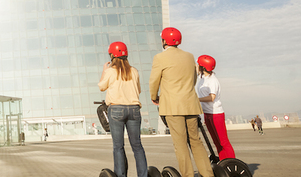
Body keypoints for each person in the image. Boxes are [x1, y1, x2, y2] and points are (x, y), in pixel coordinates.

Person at [149, 27, 213, 177]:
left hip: (172, 106)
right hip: (190, 104)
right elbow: (193, 78)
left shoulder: (160, 58)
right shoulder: (189, 56)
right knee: (196, 141)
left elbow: (154, 81)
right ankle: (208, 174)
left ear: (164, 41)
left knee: (181, 144)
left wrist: (154, 97)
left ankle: (188, 175)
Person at [98, 41, 148, 177]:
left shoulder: (110, 71)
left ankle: (121, 175)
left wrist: (104, 71)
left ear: (112, 56)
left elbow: (101, 87)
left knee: (118, 147)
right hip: (134, 110)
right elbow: (138, 90)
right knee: (137, 146)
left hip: (116, 110)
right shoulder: (134, 71)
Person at [195, 55, 235, 160]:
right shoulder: (203, 79)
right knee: (216, 142)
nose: (197, 66)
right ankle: (224, 163)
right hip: (207, 114)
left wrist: (197, 99)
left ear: (203, 67)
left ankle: (233, 163)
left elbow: (212, 97)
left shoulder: (213, 80)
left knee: (223, 142)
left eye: (199, 64)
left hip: (216, 114)